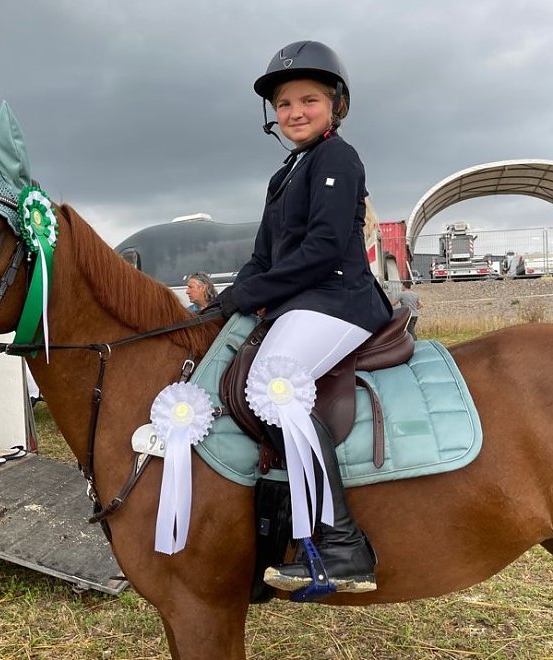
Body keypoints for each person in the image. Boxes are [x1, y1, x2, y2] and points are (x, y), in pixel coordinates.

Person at [209, 40, 392, 595]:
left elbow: (324, 248)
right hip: (301, 301)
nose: (294, 112)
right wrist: (225, 300)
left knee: (275, 383)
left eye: (308, 100)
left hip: (339, 298)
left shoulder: (339, 158)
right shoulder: (285, 173)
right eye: (284, 104)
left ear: (336, 104)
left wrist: (249, 295)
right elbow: (264, 257)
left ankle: (343, 546)